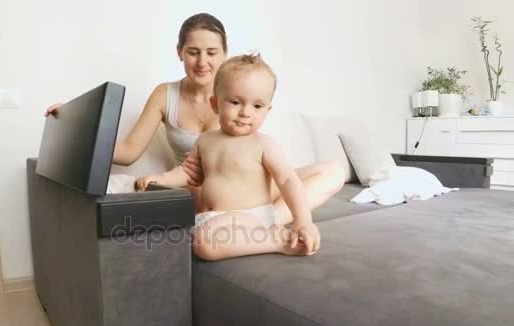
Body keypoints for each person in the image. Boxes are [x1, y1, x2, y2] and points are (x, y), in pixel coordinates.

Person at [45, 13, 345, 225]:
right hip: (201, 188)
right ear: (180, 53)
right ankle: (254, 219)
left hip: (250, 184)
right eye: (193, 52)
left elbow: (265, 153)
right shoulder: (165, 94)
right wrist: (78, 129)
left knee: (332, 170)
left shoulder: (240, 94)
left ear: (225, 53)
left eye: (212, 52)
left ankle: (271, 220)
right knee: (123, 184)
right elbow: (128, 152)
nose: (202, 62)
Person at [137, 53, 319, 261]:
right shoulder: (204, 141)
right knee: (175, 235)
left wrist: (303, 221)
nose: (245, 112)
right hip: (212, 219)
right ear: (215, 104)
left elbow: (287, 180)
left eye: (257, 106)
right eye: (235, 102)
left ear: (267, 110)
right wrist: (161, 179)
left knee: (204, 244)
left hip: (250, 218)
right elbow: (188, 174)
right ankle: (255, 239)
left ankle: (278, 240)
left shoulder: (264, 145)